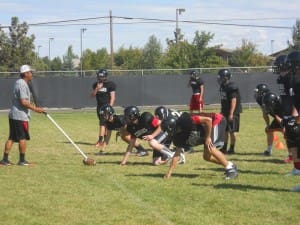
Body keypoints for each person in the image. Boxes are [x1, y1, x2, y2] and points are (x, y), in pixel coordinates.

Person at [161, 112, 238, 180]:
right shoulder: (177, 136)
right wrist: (169, 173)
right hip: (206, 130)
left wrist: (208, 137)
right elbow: (177, 154)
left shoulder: (187, 120)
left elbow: (208, 120)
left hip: (216, 121)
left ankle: (231, 169)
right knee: (207, 157)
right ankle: (230, 164)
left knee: (210, 147)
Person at [0, 65, 45, 166]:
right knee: (22, 138)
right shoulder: (22, 84)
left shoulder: (20, 83)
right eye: (30, 72)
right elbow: (24, 102)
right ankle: (22, 160)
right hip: (20, 116)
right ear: (25, 74)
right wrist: (36, 109)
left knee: (12, 137)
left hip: (14, 115)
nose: (31, 74)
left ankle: (4, 160)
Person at [254, 84, 284, 156]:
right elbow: (265, 113)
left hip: (284, 115)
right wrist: (268, 125)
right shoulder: (261, 100)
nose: (256, 94)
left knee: (288, 132)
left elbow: (278, 114)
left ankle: (292, 153)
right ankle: (269, 150)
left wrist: (285, 125)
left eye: (258, 92)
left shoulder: (274, 100)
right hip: (277, 116)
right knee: (269, 130)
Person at [217, 69, 242, 154]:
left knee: (232, 131)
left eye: (220, 77)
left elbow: (233, 100)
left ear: (225, 77)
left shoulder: (231, 86)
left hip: (233, 112)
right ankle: (224, 147)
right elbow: (223, 100)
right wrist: (222, 111)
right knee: (225, 130)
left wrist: (231, 113)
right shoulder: (223, 86)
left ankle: (232, 148)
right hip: (225, 111)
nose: (219, 78)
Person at [91, 69, 116, 148]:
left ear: (104, 76)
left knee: (102, 124)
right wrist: (97, 88)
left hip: (106, 107)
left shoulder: (110, 84)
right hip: (99, 106)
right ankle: (104, 140)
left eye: (101, 75)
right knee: (104, 124)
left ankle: (100, 141)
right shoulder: (96, 84)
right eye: (98, 75)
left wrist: (110, 107)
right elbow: (92, 95)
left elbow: (112, 97)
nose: (99, 77)